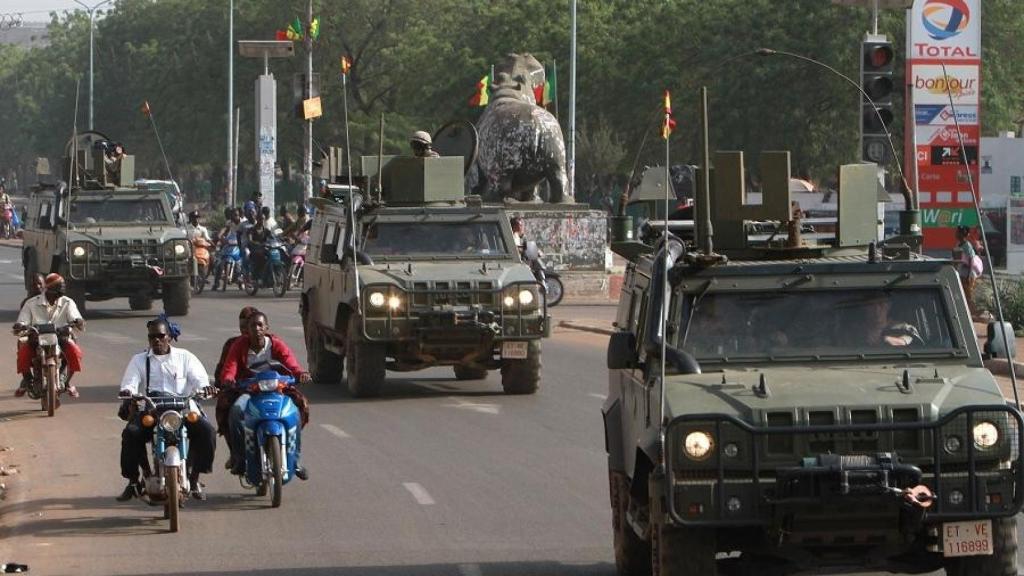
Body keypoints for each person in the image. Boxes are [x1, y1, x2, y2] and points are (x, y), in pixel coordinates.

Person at [116, 317, 217, 501]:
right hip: (153, 409)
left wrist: (206, 388)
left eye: (161, 336)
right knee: (131, 434)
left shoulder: (185, 357)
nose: (156, 340)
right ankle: (134, 481)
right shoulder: (139, 360)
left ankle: (194, 478)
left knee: (207, 432)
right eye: (152, 337)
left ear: (169, 337)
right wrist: (128, 392)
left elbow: (200, 379)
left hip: (183, 408)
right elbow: (130, 382)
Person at [218, 311, 311, 478]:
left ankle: (295, 461)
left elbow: (291, 364)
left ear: (266, 327)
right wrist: (228, 379)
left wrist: (301, 374)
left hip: (278, 388)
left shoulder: (276, 344)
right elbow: (230, 367)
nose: (257, 329)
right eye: (253, 325)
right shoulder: (239, 345)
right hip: (249, 390)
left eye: (260, 325)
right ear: (247, 329)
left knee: (298, 409)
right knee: (235, 411)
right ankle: (239, 458)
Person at [13, 273, 85, 397]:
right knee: (23, 353)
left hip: (60, 338)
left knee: (75, 352)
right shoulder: (31, 303)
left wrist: (77, 321)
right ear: (49, 289)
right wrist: (21, 325)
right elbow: (23, 320)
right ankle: (28, 379)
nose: (59, 294)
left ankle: (66, 380)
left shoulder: (68, 302)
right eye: (57, 289)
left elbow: (75, 317)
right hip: (36, 339)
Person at [213, 306, 261, 433]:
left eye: (249, 326)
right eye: (242, 326)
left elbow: (288, 363)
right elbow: (224, 370)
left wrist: (298, 374)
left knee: (295, 403)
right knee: (226, 407)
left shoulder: (273, 342)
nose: (245, 330)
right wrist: (224, 383)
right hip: (241, 389)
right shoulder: (233, 344)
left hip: (268, 388)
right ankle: (236, 449)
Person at [955, 225, 982, 315]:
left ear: (962, 234)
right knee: (963, 294)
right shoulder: (959, 244)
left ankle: (973, 313)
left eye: (958, 232)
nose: (956, 233)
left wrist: (969, 275)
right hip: (962, 272)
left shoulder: (967, 245)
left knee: (969, 294)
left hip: (968, 273)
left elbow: (971, 260)